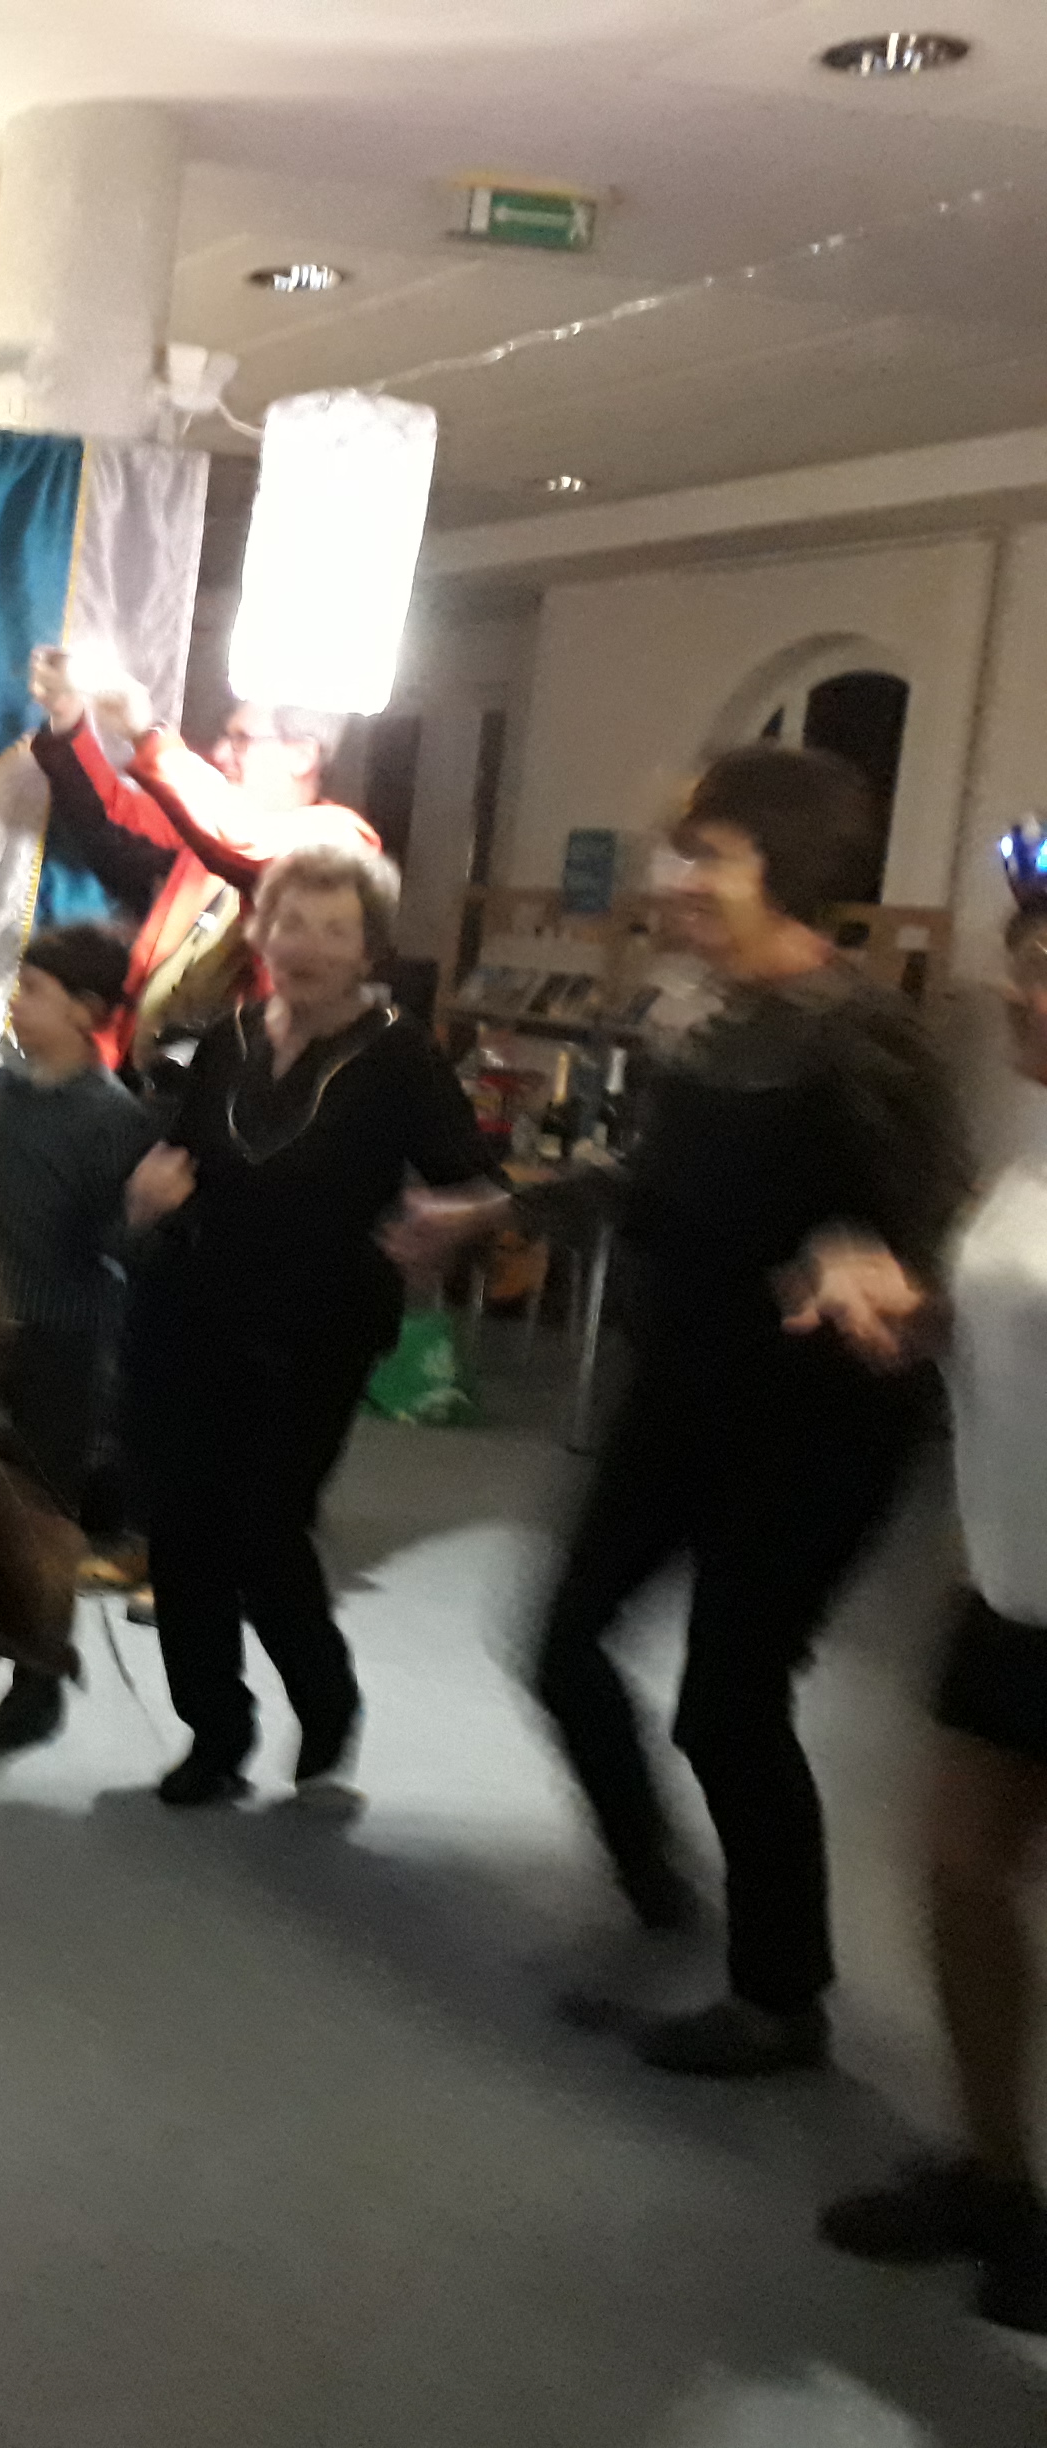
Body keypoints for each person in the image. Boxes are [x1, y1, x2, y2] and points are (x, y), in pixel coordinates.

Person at [529, 746, 971, 2077]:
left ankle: (782, 1997)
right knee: (564, 1644)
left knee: (727, 1700)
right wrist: (494, 1207)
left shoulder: (863, 1035)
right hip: (682, 1389)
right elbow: (652, 1184)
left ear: (785, 869)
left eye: (708, 853)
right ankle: (659, 1883)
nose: (677, 879)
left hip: (820, 1422)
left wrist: (871, 1263)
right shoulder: (693, 1017)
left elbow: (932, 1231)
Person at [119, 842, 507, 1808]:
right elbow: (177, 1156)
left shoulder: (400, 1055)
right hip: (191, 1313)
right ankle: (215, 1731)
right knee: (182, 1527)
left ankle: (325, 1696)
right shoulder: (228, 1038)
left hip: (316, 1331)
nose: (307, 946)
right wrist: (147, 1194)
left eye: (336, 930)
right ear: (260, 931)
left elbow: (477, 1183)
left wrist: (450, 1223)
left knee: (265, 1528)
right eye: (291, 922)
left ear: (370, 947)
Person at [816, 834, 1047, 2331]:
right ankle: (995, 2173)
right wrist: (916, 1315)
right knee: (961, 1875)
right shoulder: (1035, 1140)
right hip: (1014, 1586)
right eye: (1023, 961)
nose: (1021, 990)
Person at [0, 923, 159, 1756]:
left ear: (86, 1011)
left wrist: (142, 1218)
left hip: (60, 1341)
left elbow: (122, 1242)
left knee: (43, 1519)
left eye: (35, 990)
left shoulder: (111, 1119)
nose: (18, 1001)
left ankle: (38, 1682)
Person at [28, 648, 388, 1074]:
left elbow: (245, 842)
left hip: (242, 1086)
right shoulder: (208, 833)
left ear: (302, 756)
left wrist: (145, 731)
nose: (220, 752)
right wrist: (68, 719)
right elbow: (112, 816)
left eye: (241, 739)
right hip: (141, 1074)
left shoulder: (339, 841)